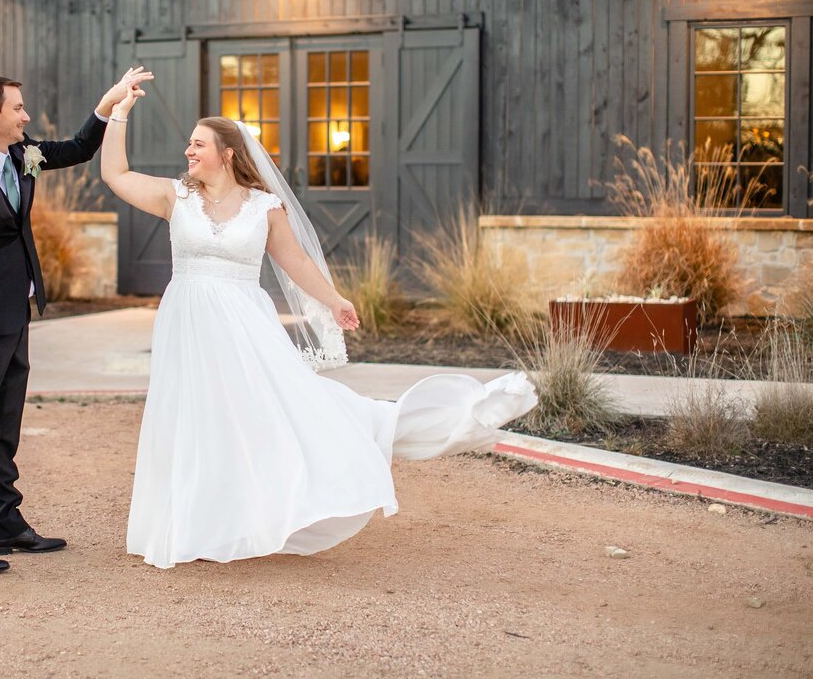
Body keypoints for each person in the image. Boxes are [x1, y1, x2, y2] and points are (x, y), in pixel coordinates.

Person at [101, 75, 538, 569]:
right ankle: (196, 524)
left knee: (283, 407)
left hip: (245, 324)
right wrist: (119, 112)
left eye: (198, 144)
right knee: (195, 418)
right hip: (188, 323)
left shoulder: (265, 208)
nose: (188, 151)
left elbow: (298, 263)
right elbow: (116, 174)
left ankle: (438, 419)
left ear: (227, 153)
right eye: (189, 144)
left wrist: (334, 301)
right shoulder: (174, 197)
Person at [0, 68, 154, 576]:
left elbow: (80, 148)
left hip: (18, 314)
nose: (27, 116)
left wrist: (107, 104)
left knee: (3, 424)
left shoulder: (24, 154)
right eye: (18, 108)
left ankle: (5, 523)